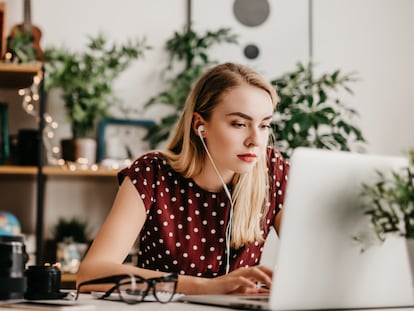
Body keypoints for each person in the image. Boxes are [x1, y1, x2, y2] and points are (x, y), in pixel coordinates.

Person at [76, 62, 290, 295]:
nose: (255, 140)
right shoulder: (152, 173)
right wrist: (207, 287)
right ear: (200, 126)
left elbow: (312, 257)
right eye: (239, 124)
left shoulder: (272, 170)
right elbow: (90, 274)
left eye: (264, 125)